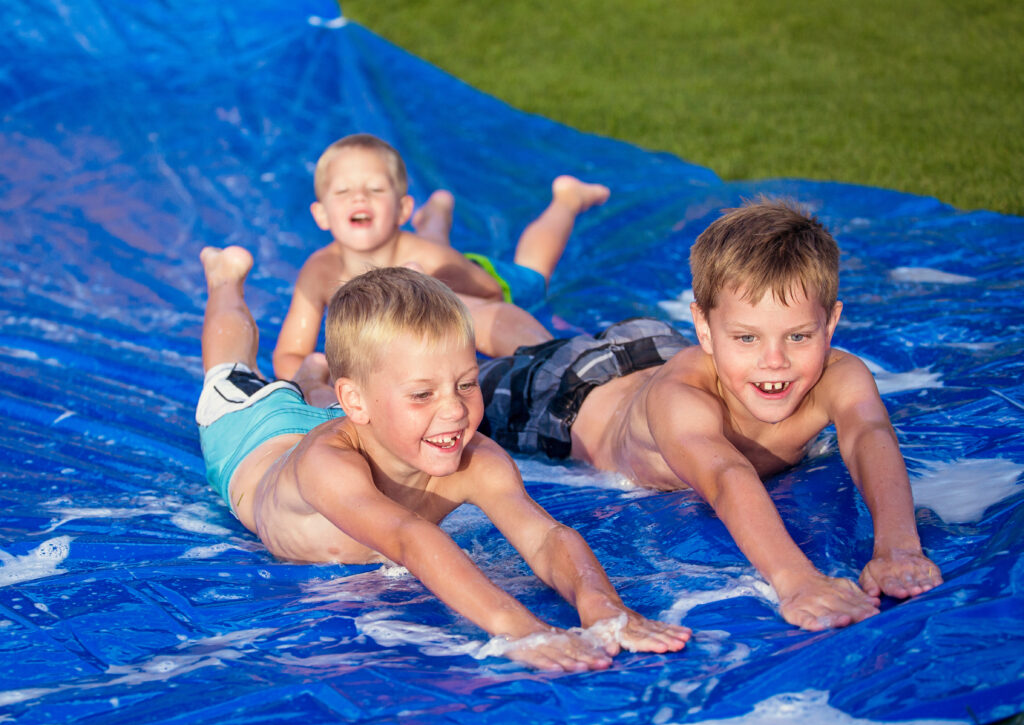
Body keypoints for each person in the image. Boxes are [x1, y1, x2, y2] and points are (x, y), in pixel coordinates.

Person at [196, 245, 690, 671]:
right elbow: (410, 540)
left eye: (467, 383)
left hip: (350, 416)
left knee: (331, 402)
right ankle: (224, 281)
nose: (454, 410)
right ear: (360, 402)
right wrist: (519, 627)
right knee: (229, 370)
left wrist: (602, 606)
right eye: (423, 394)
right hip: (253, 434)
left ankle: (315, 381)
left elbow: (545, 537)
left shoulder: (470, 455)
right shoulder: (327, 468)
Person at [475, 199, 944, 632]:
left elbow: (870, 434)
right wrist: (797, 579)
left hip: (656, 347)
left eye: (798, 337)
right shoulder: (681, 399)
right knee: (468, 379)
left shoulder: (840, 374)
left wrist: (897, 549)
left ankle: (491, 313)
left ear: (830, 324)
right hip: (570, 394)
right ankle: (443, 295)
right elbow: (725, 474)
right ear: (705, 327)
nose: (774, 361)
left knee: (538, 344)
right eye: (747, 338)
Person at [272, 133, 610, 379]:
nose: (359, 197)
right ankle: (436, 214)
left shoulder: (432, 260)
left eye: (374, 190)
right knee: (423, 253)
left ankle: (567, 200)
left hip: (480, 281)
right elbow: (289, 353)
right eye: (343, 191)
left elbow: (490, 293)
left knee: (534, 270)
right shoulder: (319, 271)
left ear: (403, 208)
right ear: (321, 215)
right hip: (416, 255)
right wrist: (322, 381)